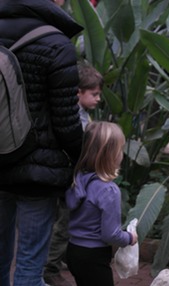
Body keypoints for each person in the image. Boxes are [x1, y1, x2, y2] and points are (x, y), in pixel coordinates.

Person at [0, 0, 84, 286]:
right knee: (29, 269)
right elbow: (66, 121)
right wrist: (79, 158)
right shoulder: (56, 43)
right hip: (38, 169)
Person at [44, 60, 103, 286]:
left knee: (68, 221)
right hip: (69, 179)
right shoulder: (73, 116)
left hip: (75, 178)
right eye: (94, 94)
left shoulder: (82, 113)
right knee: (63, 223)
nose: (98, 98)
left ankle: (60, 258)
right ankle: (50, 267)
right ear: (78, 92)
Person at [66, 121, 138, 286]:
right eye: (120, 149)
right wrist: (129, 237)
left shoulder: (79, 179)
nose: (122, 154)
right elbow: (110, 234)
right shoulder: (108, 190)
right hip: (93, 256)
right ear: (111, 154)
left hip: (74, 251)